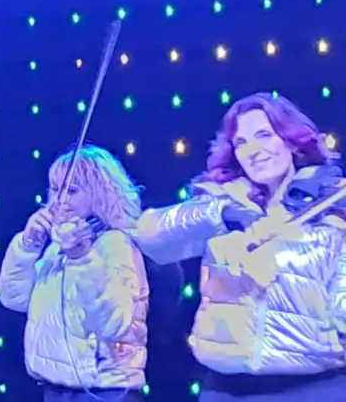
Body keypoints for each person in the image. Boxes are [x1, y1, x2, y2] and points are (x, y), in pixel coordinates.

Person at [132, 94, 346, 401]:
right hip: (227, 389)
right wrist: (218, 214)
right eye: (241, 142)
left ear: (291, 141)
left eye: (264, 135)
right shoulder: (222, 202)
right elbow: (150, 237)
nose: (253, 150)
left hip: (313, 388)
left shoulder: (331, 211)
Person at [0, 146, 149, 401]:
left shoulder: (116, 244)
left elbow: (114, 323)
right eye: (55, 189)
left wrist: (82, 259)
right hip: (57, 388)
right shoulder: (56, 250)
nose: (60, 199)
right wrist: (27, 245)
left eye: (72, 190)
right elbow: (14, 298)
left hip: (103, 392)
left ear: (99, 194)